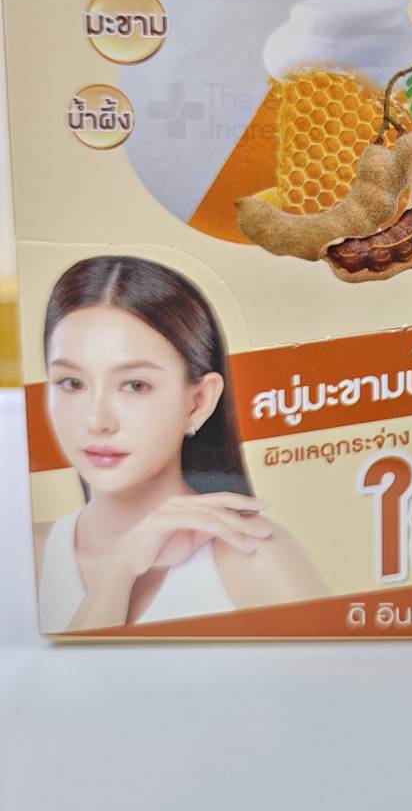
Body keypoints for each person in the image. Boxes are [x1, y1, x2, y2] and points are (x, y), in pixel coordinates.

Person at [35, 256, 327, 631]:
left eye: (135, 385)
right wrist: (119, 571)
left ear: (199, 401)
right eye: (72, 383)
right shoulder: (26, 555)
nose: (96, 421)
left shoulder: (254, 559)